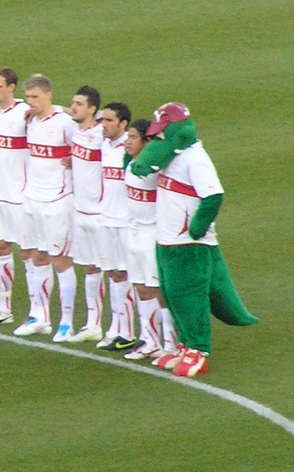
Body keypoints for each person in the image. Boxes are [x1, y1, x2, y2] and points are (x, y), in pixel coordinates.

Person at [129, 102, 259, 377]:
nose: (159, 137)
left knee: (190, 297)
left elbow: (213, 196)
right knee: (173, 294)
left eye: (163, 131)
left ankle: (198, 349)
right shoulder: (169, 155)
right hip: (167, 241)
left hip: (189, 244)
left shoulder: (195, 158)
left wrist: (197, 229)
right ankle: (184, 344)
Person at [14, 74, 80, 340]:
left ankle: (66, 322)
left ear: (49, 95)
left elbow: (87, 144)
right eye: (28, 97)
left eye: (36, 97)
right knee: (36, 256)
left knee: (60, 260)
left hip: (57, 200)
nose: (32, 103)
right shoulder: (29, 121)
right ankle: (40, 317)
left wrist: (73, 161)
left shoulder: (65, 123)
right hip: (32, 198)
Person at [121, 119, 177, 362]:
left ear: (147, 142)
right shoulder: (130, 164)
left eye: (133, 137)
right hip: (133, 232)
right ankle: (151, 341)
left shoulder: (157, 169)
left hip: (153, 232)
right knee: (142, 289)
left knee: (159, 290)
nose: (128, 142)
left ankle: (171, 344)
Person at [0, 67, 31, 326]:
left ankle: (38, 314)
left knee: (27, 252)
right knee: (0, 247)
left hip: (20, 194)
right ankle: (4, 309)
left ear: (12, 87)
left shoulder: (25, 112)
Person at [94, 102, 139, 350]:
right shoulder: (104, 144)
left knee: (128, 275)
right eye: (103, 120)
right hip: (106, 219)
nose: (104, 125)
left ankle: (129, 332)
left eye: (110, 121)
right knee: (113, 273)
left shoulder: (130, 149)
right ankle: (118, 328)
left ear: (123, 124)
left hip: (125, 222)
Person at [68, 85, 107, 342]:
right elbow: (57, 110)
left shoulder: (102, 134)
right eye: (73, 103)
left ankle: (120, 327)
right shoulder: (72, 128)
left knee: (115, 271)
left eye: (79, 104)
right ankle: (93, 324)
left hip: (101, 213)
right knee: (90, 268)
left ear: (92, 109)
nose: (73, 107)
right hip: (79, 211)